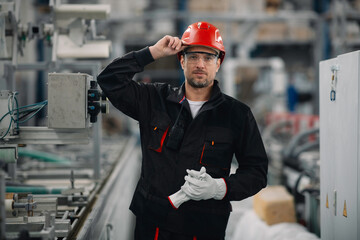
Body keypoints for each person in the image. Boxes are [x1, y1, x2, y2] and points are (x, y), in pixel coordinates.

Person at [97, 21, 268, 240]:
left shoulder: (237, 115)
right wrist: (152, 53)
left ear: (218, 64)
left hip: (204, 229)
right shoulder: (154, 100)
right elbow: (109, 80)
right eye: (193, 56)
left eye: (208, 58)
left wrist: (219, 187)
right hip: (153, 228)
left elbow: (256, 172)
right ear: (181, 60)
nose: (200, 64)